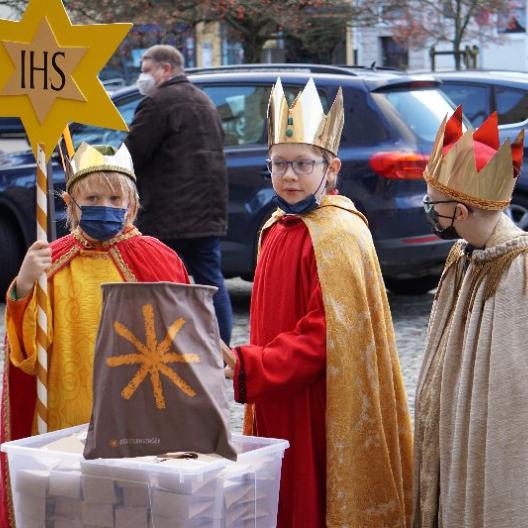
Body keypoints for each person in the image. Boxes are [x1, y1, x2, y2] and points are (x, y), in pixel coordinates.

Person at [225, 78, 413, 527]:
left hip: (320, 398)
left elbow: (329, 332)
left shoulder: (340, 233)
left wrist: (252, 364)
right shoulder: (275, 226)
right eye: (279, 164)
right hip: (275, 390)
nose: (290, 175)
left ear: (330, 169)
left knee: (311, 491)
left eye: (303, 164)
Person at [0, 142, 189, 528]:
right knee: (72, 503)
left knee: (132, 503)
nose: (104, 203)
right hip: (66, 408)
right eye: (93, 197)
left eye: (115, 197)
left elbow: (183, 337)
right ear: (71, 203)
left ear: (132, 205)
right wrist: (24, 282)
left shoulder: (159, 258)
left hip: (135, 412)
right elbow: (26, 352)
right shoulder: (53, 260)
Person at [413, 107, 527, 528]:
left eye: (434, 202)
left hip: (489, 448)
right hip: (452, 435)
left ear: (460, 212)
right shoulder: (463, 255)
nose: (428, 209)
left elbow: (511, 394)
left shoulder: (517, 268)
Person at [125, 44, 233, 345]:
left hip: (168, 213)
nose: (142, 77)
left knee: (166, 283)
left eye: (146, 70)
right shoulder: (204, 101)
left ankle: (171, 348)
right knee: (212, 281)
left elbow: (134, 152)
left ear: (166, 69)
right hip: (208, 212)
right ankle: (221, 348)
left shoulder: (159, 103)